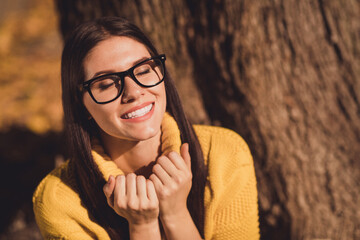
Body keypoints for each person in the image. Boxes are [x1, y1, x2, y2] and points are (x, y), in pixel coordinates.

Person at [33, 16, 260, 240]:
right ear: (81, 105)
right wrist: (142, 226)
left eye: (142, 70)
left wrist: (175, 214)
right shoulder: (58, 198)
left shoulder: (223, 152)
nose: (133, 92)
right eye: (106, 84)